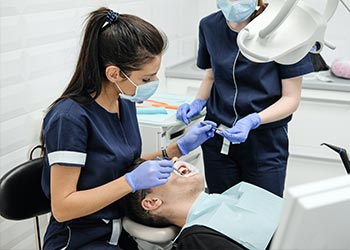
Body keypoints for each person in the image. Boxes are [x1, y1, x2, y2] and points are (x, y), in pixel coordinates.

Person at [40, 7, 216, 250]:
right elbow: (63, 208)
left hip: (119, 229)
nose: (153, 84)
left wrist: (178, 148)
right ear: (114, 74)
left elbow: (120, 163)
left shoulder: (123, 104)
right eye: (146, 79)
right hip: (78, 239)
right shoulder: (69, 119)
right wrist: (130, 182)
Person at [176, 0, 315, 197]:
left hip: (264, 142)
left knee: (261, 212)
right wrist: (198, 102)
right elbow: (211, 76)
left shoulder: (284, 30)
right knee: (221, 211)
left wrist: (253, 120)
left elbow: (291, 99)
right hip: (217, 137)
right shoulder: (209, 26)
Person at [125, 158, 283, 250]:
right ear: (152, 202)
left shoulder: (236, 194)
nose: (174, 161)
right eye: (161, 169)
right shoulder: (198, 239)